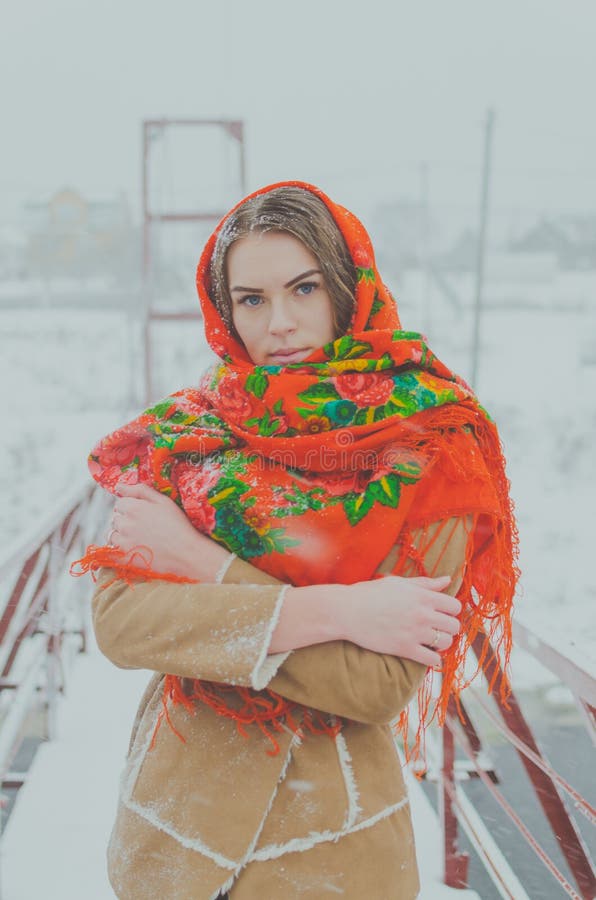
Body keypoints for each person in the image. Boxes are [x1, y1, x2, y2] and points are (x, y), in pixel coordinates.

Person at [75, 181, 518, 899]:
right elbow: (122, 624)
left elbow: (376, 685)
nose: (279, 323)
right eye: (250, 299)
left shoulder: (431, 450)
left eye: (303, 288)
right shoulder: (192, 437)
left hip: (333, 855)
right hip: (170, 834)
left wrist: (200, 565)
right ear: (225, 312)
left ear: (347, 289)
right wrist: (343, 614)